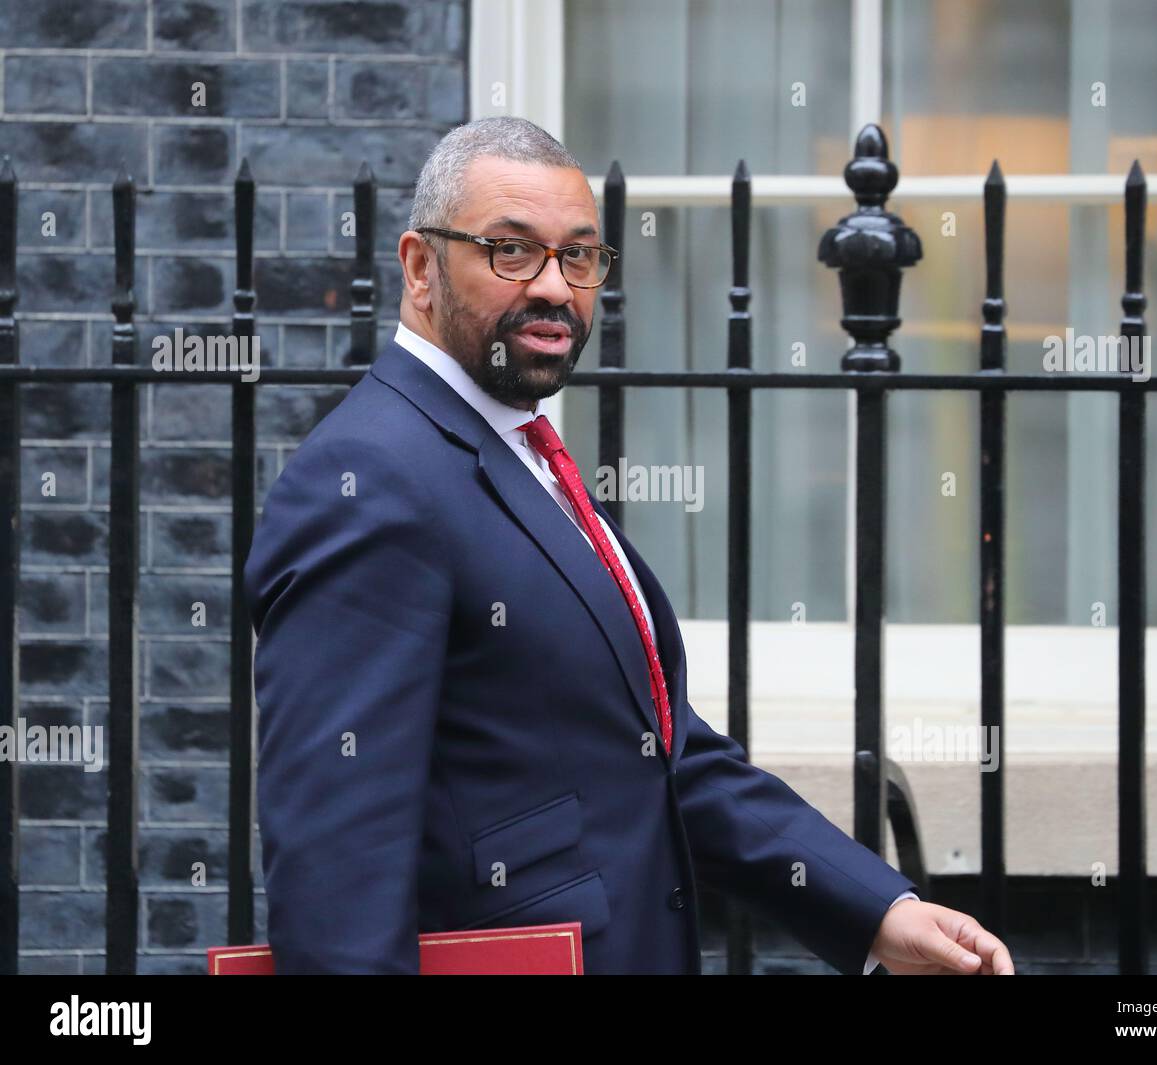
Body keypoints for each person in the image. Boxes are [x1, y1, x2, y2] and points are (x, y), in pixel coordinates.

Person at [244, 115, 1014, 976]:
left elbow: (660, 754)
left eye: (579, 256)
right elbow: (337, 876)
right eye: (510, 250)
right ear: (421, 267)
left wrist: (878, 910)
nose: (554, 286)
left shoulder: (524, 456)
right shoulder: (370, 477)